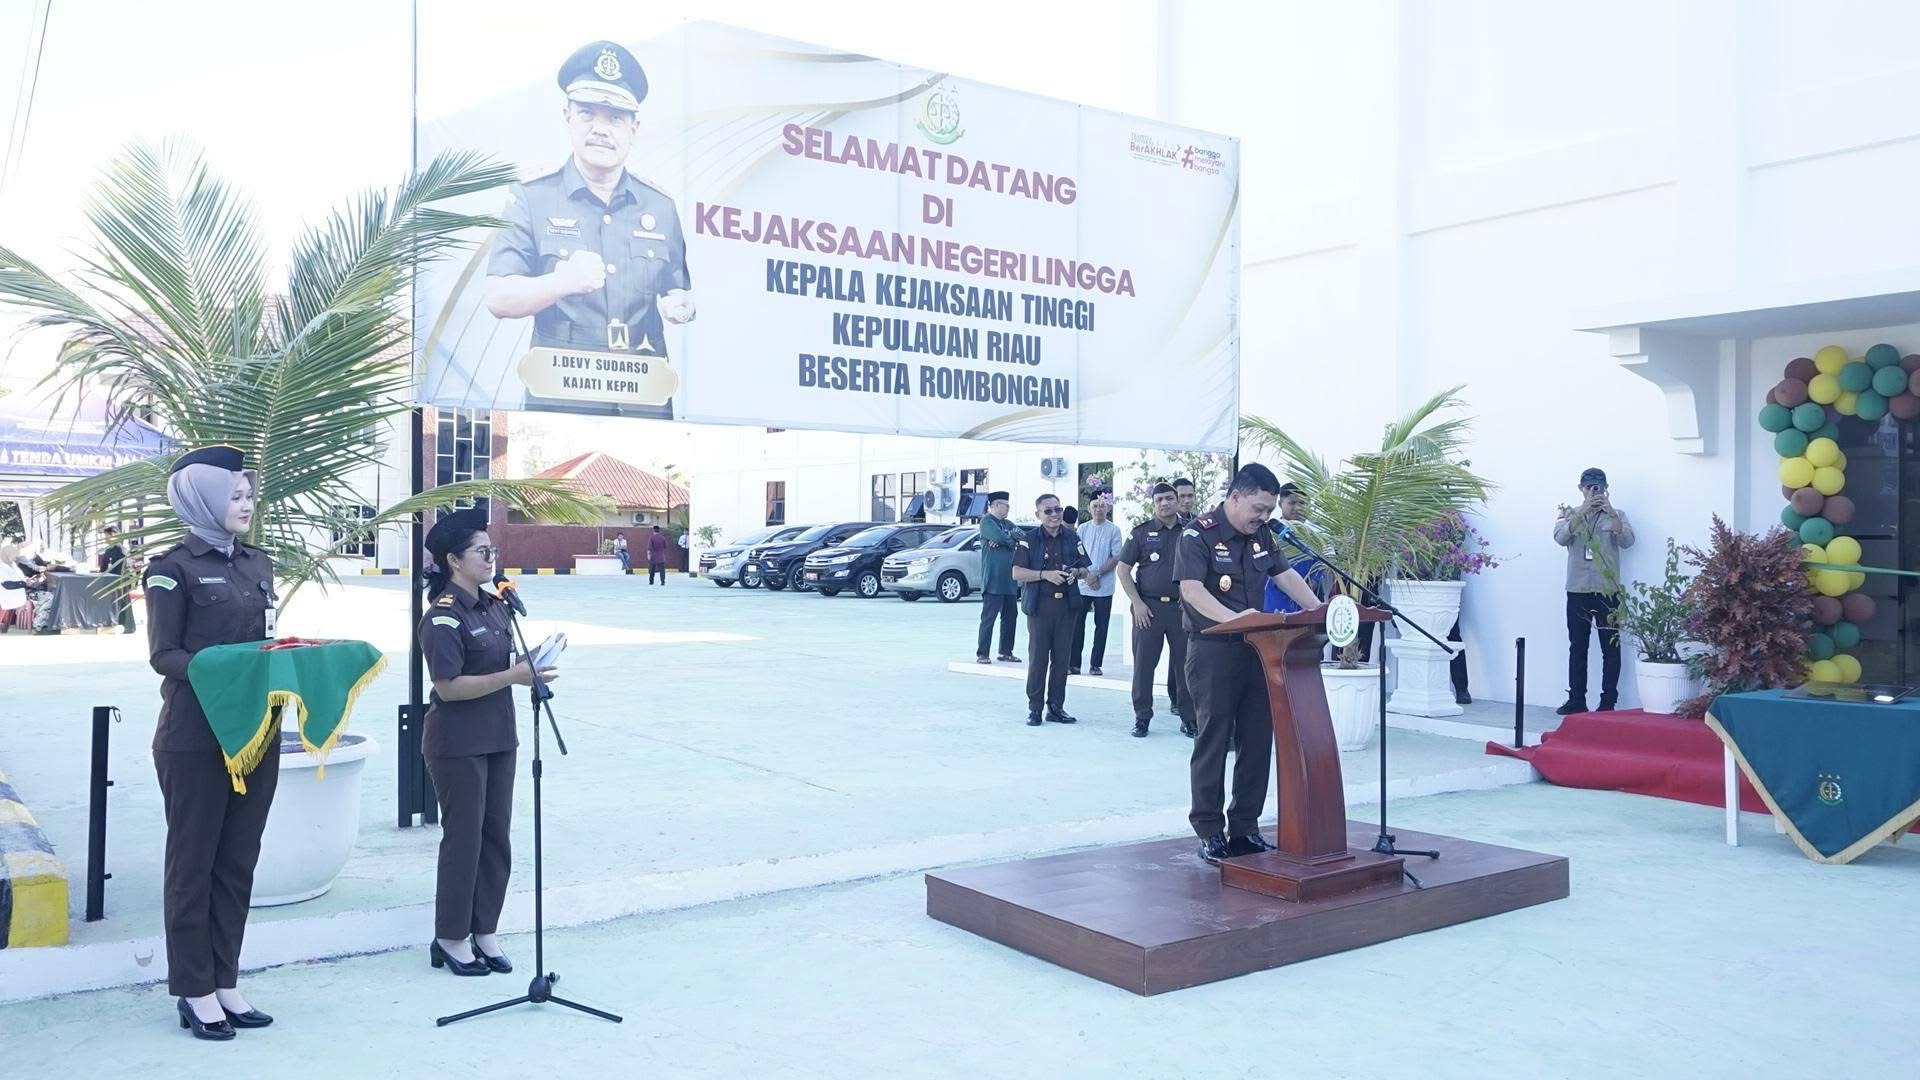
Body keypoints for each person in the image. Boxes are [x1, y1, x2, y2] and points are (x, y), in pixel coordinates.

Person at [142, 446, 278, 1039]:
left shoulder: (258, 564)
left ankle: (226, 979)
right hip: (195, 738)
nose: (246, 505)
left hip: (256, 733)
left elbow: (265, 641)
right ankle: (194, 989)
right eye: (235, 496)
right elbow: (163, 656)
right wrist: (225, 668)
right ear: (200, 499)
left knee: (237, 862)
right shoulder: (171, 568)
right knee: (193, 865)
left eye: (249, 495)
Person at [485, 39, 695, 420]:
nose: (601, 129)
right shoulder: (533, 198)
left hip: (644, 405)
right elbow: (499, 298)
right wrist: (560, 282)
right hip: (561, 407)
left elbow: (677, 288)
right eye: (588, 114)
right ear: (567, 116)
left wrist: (681, 304)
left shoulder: (661, 208)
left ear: (634, 127)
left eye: (615, 118)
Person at [419, 508, 556, 979]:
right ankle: (450, 937)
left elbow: (502, 664)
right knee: (464, 840)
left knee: (496, 837)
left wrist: (532, 662)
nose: (491, 558)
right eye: (483, 551)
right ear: (454, 561)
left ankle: (485, 930)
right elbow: (448, 687)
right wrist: (515, 675)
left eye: (492, 550)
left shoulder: (495, 605)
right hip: (458, 744)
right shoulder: (442, 618)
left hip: (500, 737)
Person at [1176, 463, 1323, 865]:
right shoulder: (1197, 534)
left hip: (1260, 649)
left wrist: (1320, 609)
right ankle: (1209, 829)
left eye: (1269, 510)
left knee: (1258, 739)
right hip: (1213, 650)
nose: (1264, 517)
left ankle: (1245, 827)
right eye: (1258, 508)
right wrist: (1234, 620)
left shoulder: (1260, 535)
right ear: (1235, 497)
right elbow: (1191, 590)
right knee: (1214, 738)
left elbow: (1285, 574)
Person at [1553, 467, 1634, 714]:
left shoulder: (1617, 514)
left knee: (1611, 646)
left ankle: (1608, 701)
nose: (1594, 491)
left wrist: (1612, 516)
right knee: (1578, 645)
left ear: (1606, 488)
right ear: (1581, 488)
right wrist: (1582, 513)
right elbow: (1559, 538)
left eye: (1598, 486)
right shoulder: (1569, 514)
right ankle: (1576, 699)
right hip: (1578, 589)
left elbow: (1628, 541)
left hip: (1607, 589)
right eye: (1589, 487)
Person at [1117, 483, 1192, 738]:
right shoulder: (1141, 533)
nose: (1164, 503)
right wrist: (1137, 603)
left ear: (1177, 500)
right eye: (1159, 499)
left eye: (1169, 498)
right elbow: (1123, 569)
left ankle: (1189, 718)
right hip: (1148, 609)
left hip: (1182, 609)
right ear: (1153, 503)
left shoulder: (1190, 531)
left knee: (1186, 667)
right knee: (1144, 666)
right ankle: (1142, 717)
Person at [1012, 493, 1090, 726]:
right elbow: (1017, 573)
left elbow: (1086, 569)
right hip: (1040, 606)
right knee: (1038, 659)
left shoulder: (1072, 537)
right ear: (1038, 514)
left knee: (1062, 659)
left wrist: (1075, 573)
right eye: (1048, 511)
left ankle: (1056, 707)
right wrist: (1045, 575)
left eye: (1058, 509)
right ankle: (1035, 708)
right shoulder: (1029, 539)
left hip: (1067, 606)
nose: (1055, 514)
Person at [1070, 490, 1123, 677]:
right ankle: (1074, 664)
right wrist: (1087, 576)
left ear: (1107, 507)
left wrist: (1098, 573)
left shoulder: (1114, 530)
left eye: (1102, 505)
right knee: (1077, 626)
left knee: (1102, 627)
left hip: (1104, 586)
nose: (1099, 509)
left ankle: (1095, 664)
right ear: (1088, 508)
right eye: (1095, 506)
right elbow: (1077, 554)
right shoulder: (1082, 529)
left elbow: (1116, 556)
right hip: (1084, 585)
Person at [1262, 483, 1328, 614]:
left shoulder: (1317, 540)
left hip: (1307, 607)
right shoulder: (1267, 533)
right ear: (1280, 504)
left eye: (1303, 503)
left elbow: (1319, 571)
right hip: (1273, 606)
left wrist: (1308, 588)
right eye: (1292, 503)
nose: (1298, 508)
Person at [974, 491, 1021, 664]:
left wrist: (1006, 539)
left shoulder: (1008, 523)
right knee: (989, 617)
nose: (1008, 508)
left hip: (1009, 580)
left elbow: (1021, 536)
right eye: (1004, 505)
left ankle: (1006, 651)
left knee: (1010, 616)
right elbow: (998, 536)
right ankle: (982, 653)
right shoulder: (987, 521)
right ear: (994, 506)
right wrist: (1008, 539)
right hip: (993, 579)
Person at [100, 525, 137, 634]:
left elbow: (128, 568)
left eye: (107, 535)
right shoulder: (108, 551)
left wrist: (129, 583)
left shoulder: (121, 550)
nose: (105, 538)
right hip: (111, 582)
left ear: (114, 535)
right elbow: (104, 568)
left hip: (121, 582)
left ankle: (127, 627)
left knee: (123, 604)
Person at [0, 542, 30, 633]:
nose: (16, 558)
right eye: (14, 556)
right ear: (8, 555)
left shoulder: (12, 564)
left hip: (15, 594)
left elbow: (19, 577)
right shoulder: (1, 566)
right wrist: (23, 584)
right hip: (6, 594)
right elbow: (6, 584)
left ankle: (4, 626)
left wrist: (26, 582)